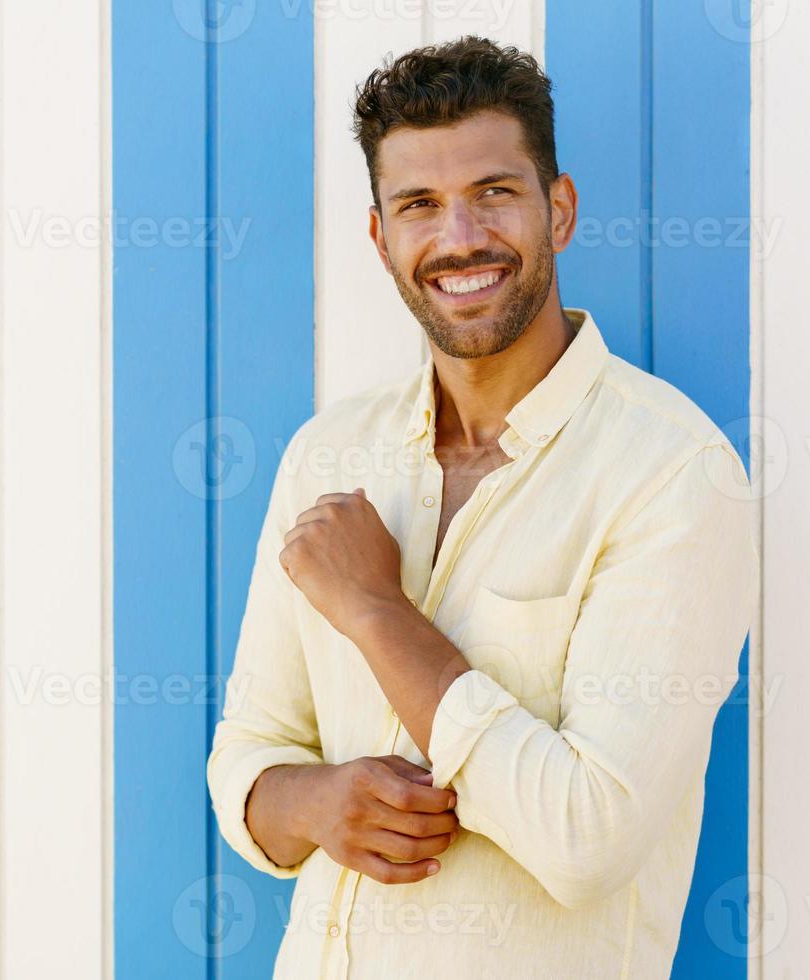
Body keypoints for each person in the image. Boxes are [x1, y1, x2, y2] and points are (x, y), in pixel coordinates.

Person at [207, 35, 758, 978]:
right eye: (419, 204)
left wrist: (378, 613)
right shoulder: (328, 457)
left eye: (493, 193)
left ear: (560, 209)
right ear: (381, 239)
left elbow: (589, 840)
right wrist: (317, 803)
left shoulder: (671, 473)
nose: (459, 237)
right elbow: (246, 761)